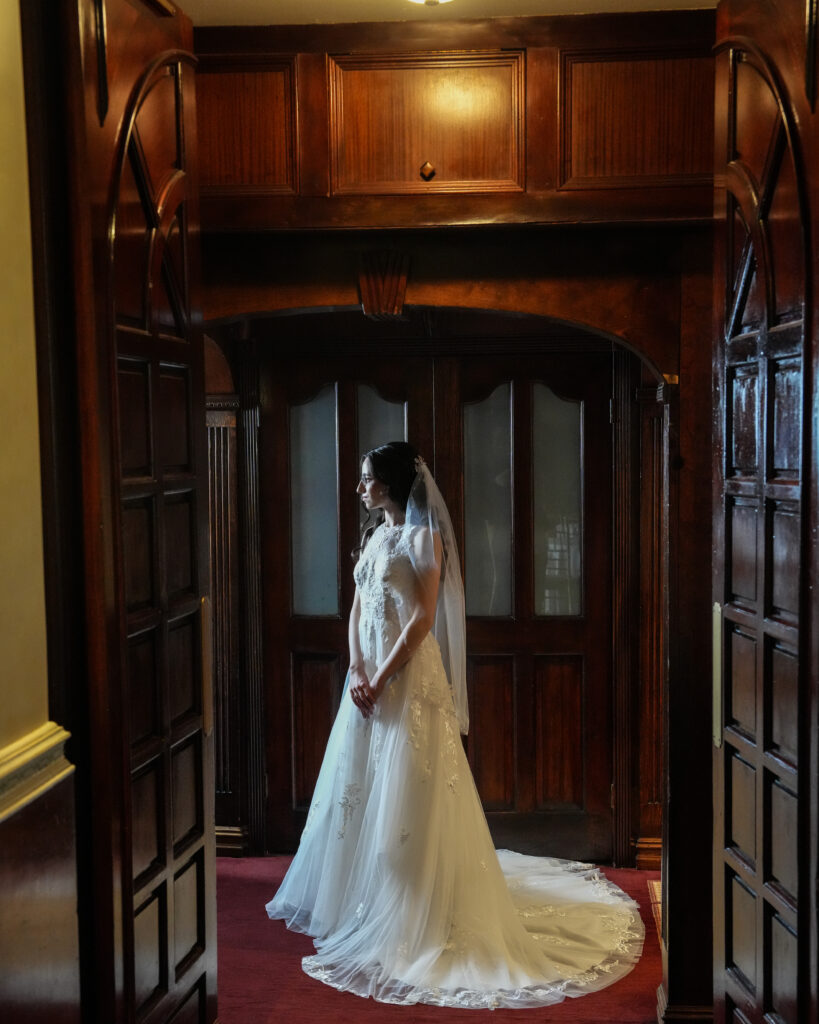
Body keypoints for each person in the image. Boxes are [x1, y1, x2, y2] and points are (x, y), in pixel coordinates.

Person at [266, 441, 644, 1009]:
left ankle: (414, 908)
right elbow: (359, 607)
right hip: (365, 681)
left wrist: (383, 678)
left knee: (408, 790)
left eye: (368, 478)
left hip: (406, 680)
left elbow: (422, 618)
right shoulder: (374, 536)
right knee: (358, 786)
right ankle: (355, 902)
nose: (360, 488)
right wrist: (357, 669)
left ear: (392, 482)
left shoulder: (424, 539)